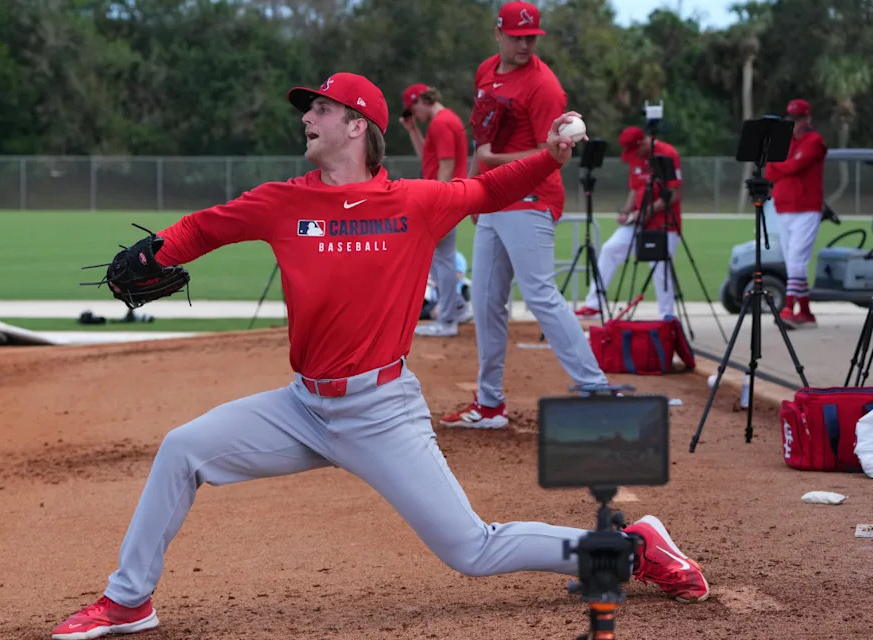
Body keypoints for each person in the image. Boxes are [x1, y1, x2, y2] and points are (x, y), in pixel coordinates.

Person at [50, 72, 709, 639]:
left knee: (471, 550)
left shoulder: (414, 203)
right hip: (302, 407)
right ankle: (129, 598)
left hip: (380, 411)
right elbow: (206, 226)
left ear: (358, 126)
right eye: (309, 109)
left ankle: (629, 548)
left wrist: (552, 154)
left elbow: (487, 191)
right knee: (182, 449)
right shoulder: (284, 201)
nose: (307, 117)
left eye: (321, 108)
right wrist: (157, 251)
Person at [441, 1, 609, 430]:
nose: (524, 43)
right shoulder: (486, 71)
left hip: (532, 196)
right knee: (484, 302)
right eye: (516, 36)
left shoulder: (544, 86)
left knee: (539, 295)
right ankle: (490, 405)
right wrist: (477, 189)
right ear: (498, 34)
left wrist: (492, 160)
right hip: (494, 197)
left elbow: (552, 154)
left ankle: (596, 391)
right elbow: (482, 135)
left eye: (531, 36)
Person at [573, 126, 684, 320]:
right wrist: (626, 212)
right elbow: (634, 188)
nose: (633, 156)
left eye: (634, 151)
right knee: (610, 248)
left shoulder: (667, 153)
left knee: (660, 266)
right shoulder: (635, 158)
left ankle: (666, 314)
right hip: (638, 221)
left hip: (663, 223)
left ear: (643, 143)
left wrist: (648, 211)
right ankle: (594, 304)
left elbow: (674, 193)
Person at [400, 83, 475, 336]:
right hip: (452, 195)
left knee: (441, 259)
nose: (414, 115)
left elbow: (446, 165)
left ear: (421, 100)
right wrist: (413, 131)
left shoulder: (442, 123)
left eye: (413, 108)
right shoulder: (443, 121)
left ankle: (447, 320)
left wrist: (438, 203)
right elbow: (429, 159)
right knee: (437, 258)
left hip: (447, 197)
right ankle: (458, 308)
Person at [766, 98, 827, 329]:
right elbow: (771, 171)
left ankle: (789, 308)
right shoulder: (785, 141)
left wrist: (782, 165)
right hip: (784, 206)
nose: (793, 124)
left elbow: (794, 167)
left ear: (807, 119)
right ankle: (806, 312)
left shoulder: (814, 141)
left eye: (797, 119)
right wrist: (783, 165)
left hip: (806, 208)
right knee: (792, 260)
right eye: (791, 119)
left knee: (797, 261)